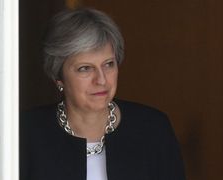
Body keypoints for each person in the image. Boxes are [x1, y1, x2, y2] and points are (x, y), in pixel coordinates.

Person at [20, 7, 185, 180]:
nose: (101, 80)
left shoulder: (153, 129)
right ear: (58, 77)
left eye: (108, 64)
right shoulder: (26, 134)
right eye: (85, 68)